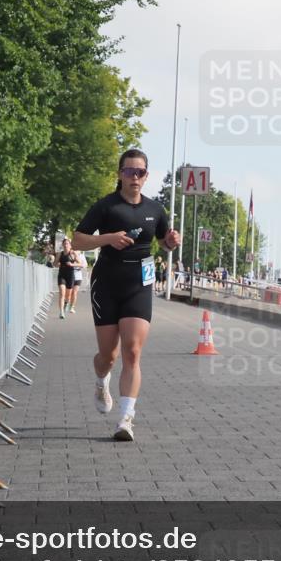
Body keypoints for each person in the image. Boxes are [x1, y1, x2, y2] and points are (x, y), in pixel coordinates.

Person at [72, 148, 180, 441]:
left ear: (146, 176)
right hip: (107, 283)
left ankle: (125, 420)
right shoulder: (106, 206)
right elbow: (77, 240)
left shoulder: (156, 209)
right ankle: (101, 380)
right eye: (129, 171)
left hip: (139, 284)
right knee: (109, 355)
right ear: (120, 174)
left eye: (140, 172)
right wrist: (108, 238)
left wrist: (171, 241)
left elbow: (164, 242)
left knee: (132, 352)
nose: (135, 177)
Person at [57, 238, 77, 319]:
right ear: (62, 245)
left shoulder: (73, 253)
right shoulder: (60, 254)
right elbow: (54, 263)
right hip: (62, 275)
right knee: (62, 293)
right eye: (64, 243)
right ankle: (61, 312)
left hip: (70, 275)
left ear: (70, 245)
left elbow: (81, 264)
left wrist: (72, 265)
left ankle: (66, 302)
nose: (66, 245)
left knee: (68, 295)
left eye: (67, 243)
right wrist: (57, 263)